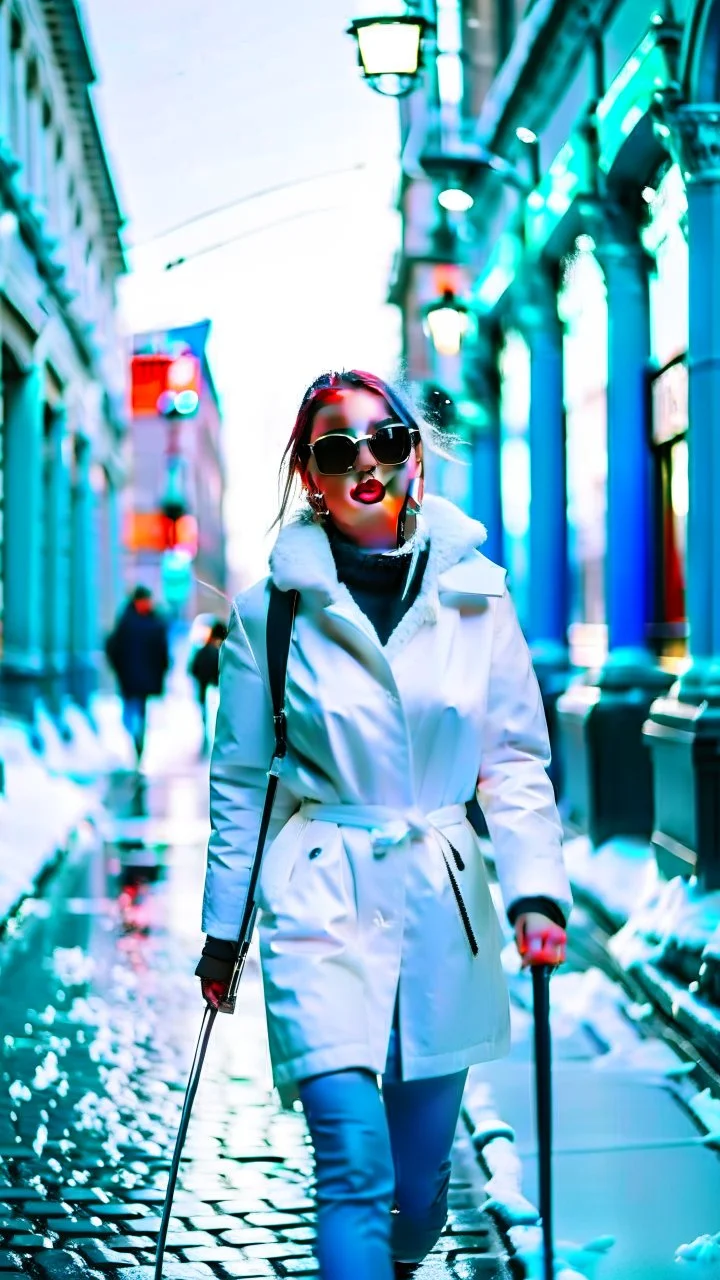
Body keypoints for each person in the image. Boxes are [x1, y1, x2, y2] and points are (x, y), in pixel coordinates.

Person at [195, 370, 571, 1280]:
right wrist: (221, 935)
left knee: (416, 1190)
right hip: (319, 901)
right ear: (310, 477)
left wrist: (533, 891)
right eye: (336, 449)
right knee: (353, 1169)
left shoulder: (480, 595)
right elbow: (243, 781)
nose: (365, 462)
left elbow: (515, 757)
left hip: (444, 906)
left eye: (386, 441)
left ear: (415, 459)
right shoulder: (267, 615)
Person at [105, 585, 170, 764]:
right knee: (131, 711)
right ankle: (136, 737)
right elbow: (114, 648)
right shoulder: (134, 622)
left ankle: (138, 740)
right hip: (130, 676)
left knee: (138, 710)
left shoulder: (136, 621)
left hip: (142, 678)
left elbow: (162, 652)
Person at [189, 619, 228, 754]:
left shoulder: (203, 650)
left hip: (203, 690)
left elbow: (193, 669)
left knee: (207, 719)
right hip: (216, 691)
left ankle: (206, 743)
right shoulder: (223, 652)